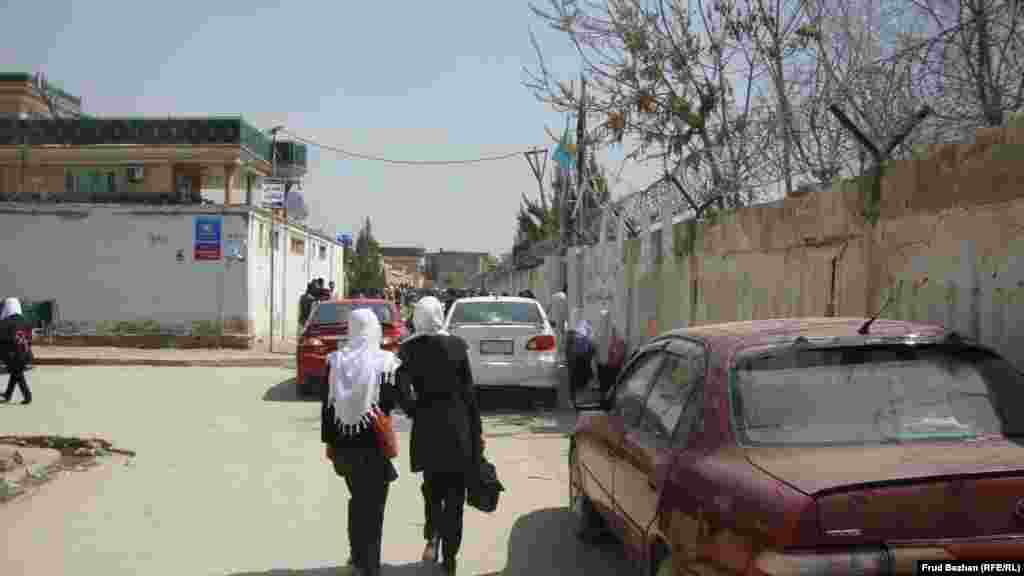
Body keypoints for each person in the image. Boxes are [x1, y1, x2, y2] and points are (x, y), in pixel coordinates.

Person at [396, 296, 484, 576]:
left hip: (427, 429)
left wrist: (413, 409)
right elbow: (470, 393)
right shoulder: (457, 346)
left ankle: (432, 535)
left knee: (432, 489)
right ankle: (451, 558)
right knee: (455, 496)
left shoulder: (409, 349)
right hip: (458, 429)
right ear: (439, 315)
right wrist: (477, 432)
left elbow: (400, 384)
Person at [321, 308, 401, 576]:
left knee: (357, 500)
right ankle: (370, 566)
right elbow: (390, 403)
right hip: (375, 445)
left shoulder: (335, 361)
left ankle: (357, 558)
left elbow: (327, 407)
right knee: (374, 507)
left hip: (345, 445)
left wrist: (330, 442)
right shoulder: (387, 362)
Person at [0, 297, 33, 404]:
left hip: (12, 354)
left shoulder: (5, 322)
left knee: (17, 374)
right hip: (25, 353)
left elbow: (3, 339)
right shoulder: (26, 321)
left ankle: (27, 396)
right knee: (15, 373)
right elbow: (29, 339)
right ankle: (8, 394)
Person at [594, 309, 626, 398]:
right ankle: (607, 400)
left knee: (605, 384)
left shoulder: (600, 329)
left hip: (606, 362)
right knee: (609, 384)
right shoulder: (614, 328)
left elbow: (595, 342)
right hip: (609, 363)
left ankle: (605, 400)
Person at [568, 308, 595, 404]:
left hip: (577, 361)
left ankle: (575, 400)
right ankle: (580, 400)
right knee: (582, 380)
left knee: (575, 381)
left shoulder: (571, 330)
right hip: (582, 360)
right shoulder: (586, 326)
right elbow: (592, 344)